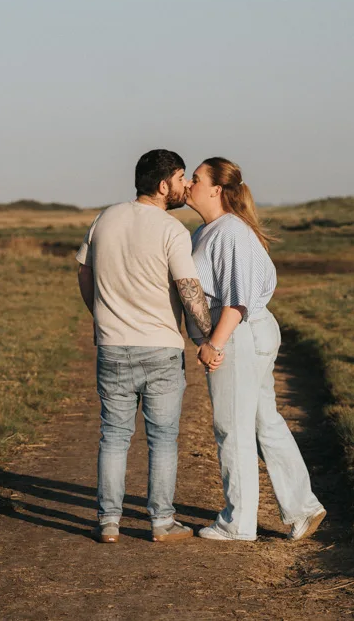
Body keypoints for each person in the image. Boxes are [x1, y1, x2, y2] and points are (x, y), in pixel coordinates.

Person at [76, 149, 222, 544]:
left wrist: (100, 314)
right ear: (162, 186)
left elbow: (84, 272)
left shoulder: (103, 219)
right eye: (179, 179)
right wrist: (208, 335)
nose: (185, 185)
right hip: (160, 349)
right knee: (162, 440)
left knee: (114, 435)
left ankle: (108, 522)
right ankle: (161, 522)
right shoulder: (170, 230)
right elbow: (189, 291)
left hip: (112, 345)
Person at [186, 157, 326, 542]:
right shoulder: (209, 230)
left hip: (239, 333)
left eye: (195, 179)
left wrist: (214, 343)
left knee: (232, 426)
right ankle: (303, 506)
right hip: (245, 333)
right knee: (265, 420)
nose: (187, 184)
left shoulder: (230, 231)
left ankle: (238, 522)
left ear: (216, 188)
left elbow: (238, 301)